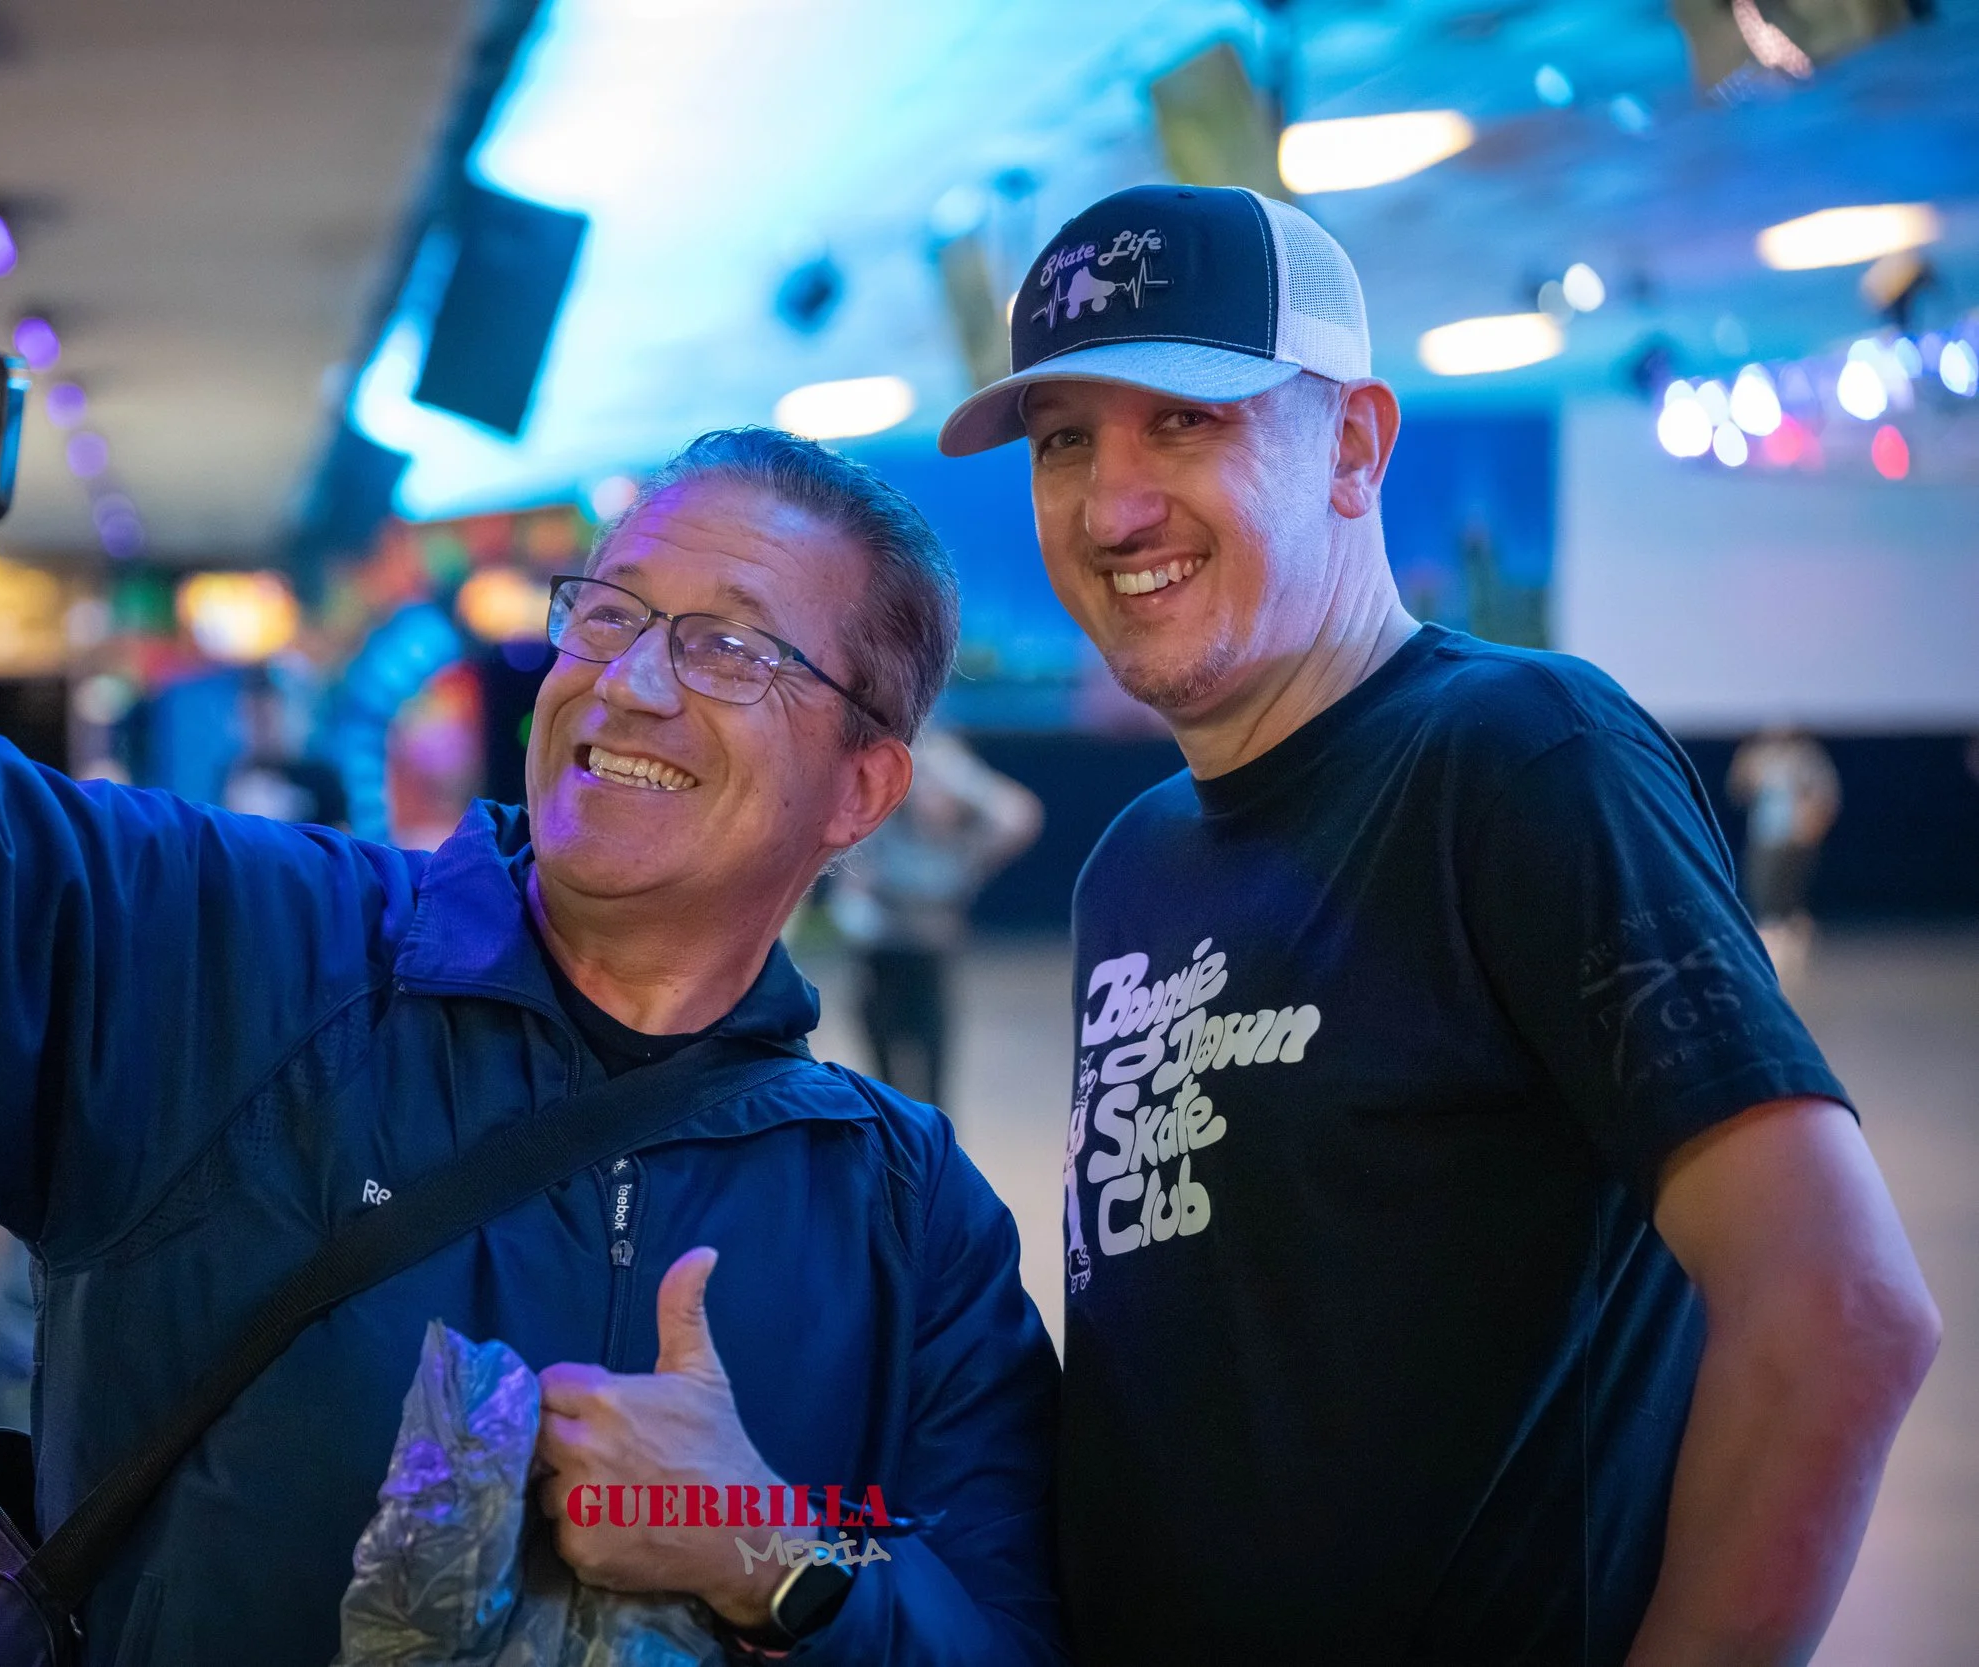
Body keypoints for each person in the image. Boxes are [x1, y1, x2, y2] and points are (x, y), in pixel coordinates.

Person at [0, 280, 1061, 1664]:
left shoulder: (905, 1221)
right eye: (611, 611)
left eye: (729, 643)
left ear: (863, 788)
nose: (628, 679)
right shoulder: (241, 952)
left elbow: (989, 1610)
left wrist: (779, 1550)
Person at [938, 184, 1940, 1665]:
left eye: (1187, 421)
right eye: (1065, 439)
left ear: (1354, 444)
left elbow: (1840, 1312)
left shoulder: (1523, 759)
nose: (1110, 504)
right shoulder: (1134, 864)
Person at [827, 726, 1041, 1105]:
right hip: (882, 960)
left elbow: (1019, 815)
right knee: (885, 1077)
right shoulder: (881, 826)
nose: (932, 796)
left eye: (939, 788)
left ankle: (932, 1154)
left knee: (935, 1078)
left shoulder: (964, 847)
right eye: (922, 785)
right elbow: (848, 899)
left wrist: (959, 776)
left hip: (931, 960)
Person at [1728, 725, 1841, 981]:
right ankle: (1775, 949)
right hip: (1765, 834)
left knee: (1784, 894)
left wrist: (1811, 827)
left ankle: (1790, 948)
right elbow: (1739, 788)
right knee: (1762, 889)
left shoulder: (1806, 757)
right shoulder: (1760, 756)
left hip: (1795, 837)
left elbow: (1825, 796)